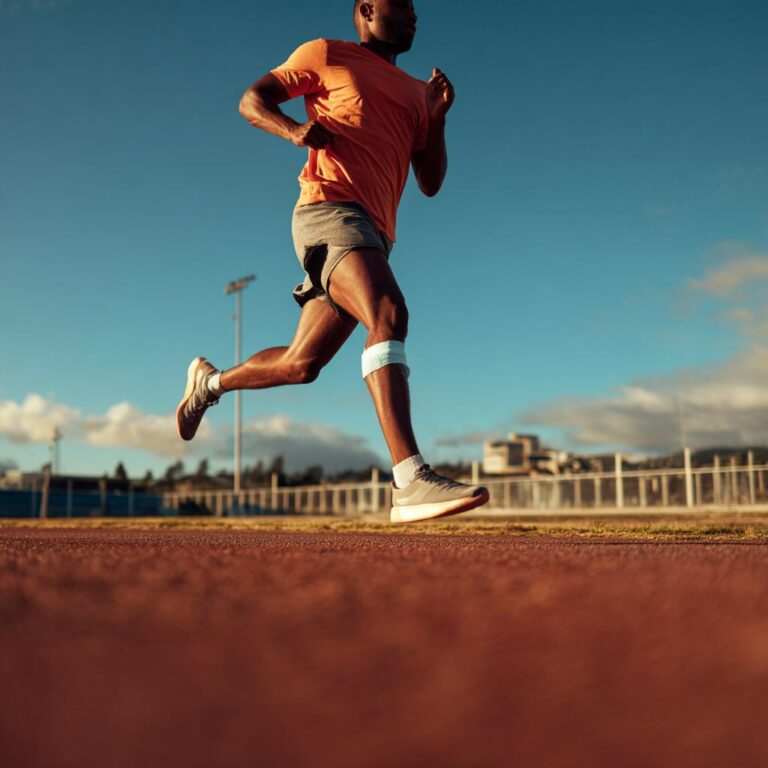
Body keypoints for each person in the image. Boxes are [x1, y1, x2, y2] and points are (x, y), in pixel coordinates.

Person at [176, 0, 488, 523]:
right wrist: (293, 131)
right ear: (366, 9)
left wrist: (436, 120)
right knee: (388, 312)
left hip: (374, 236)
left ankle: (209, 383)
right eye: (402, 5)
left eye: (417, 8)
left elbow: (430, 182)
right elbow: (252, 100)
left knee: (303, 365)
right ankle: (409, 478)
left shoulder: (416, 93)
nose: (414, 14)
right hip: (329, 212)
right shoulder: (326, 54)